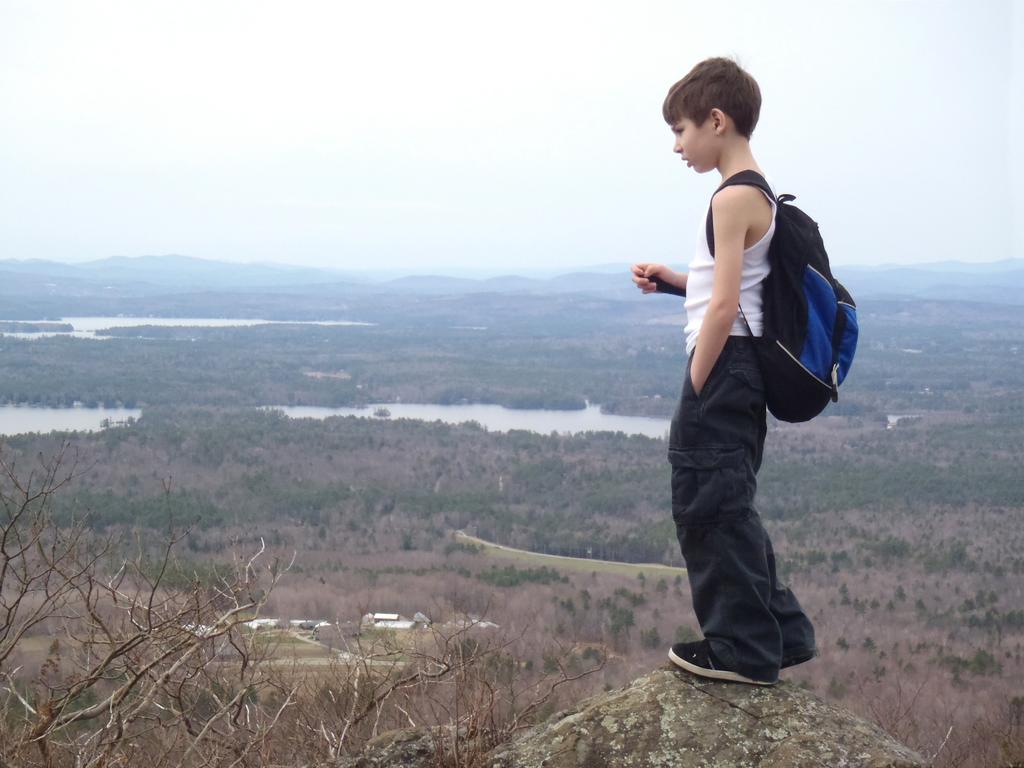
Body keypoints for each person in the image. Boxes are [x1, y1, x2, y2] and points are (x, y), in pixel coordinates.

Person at [631, 57, 817, 686]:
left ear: (717, 119)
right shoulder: (756, 190)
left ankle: (742, 647)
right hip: (745, 369)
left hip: (726, 368)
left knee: (706, 505)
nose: (678, 145)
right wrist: (673, 283)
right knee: (730, 501)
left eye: (681, 130)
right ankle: (779, 631)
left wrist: (696, 388)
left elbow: (724, 308)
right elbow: (735, 289)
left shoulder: (732, 197)